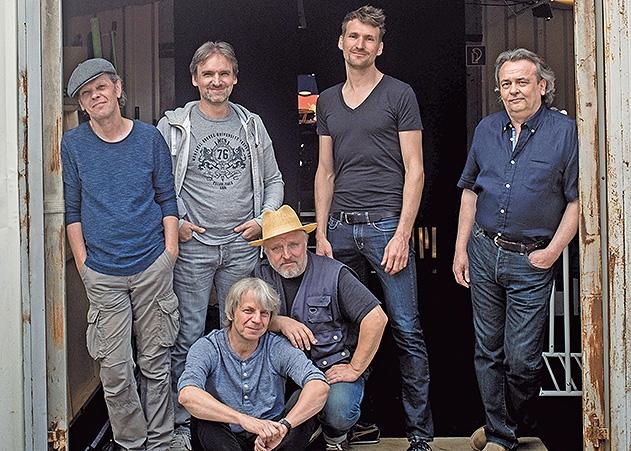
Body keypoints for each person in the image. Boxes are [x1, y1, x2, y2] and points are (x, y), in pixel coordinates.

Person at [313, 6, 433, 451]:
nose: (359, 44)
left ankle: (420, 435)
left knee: (405, 330)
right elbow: (325, 171)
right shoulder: (326, 100)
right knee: (343, 330)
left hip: (386, 228)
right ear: (341, 42)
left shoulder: (399, 94)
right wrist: (321, 233)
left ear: (379, 47)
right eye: (353, 36)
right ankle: (348, 424)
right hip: (340, 229)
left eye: (368, 38)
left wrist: (402, 234)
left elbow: (415, 169)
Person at [156, 41, 284, 449]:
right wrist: (177, 223)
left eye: (224, 73)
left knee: (242, 333)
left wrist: (263, 220)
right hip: (193, 248)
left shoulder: (252, 126)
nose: (216, 81)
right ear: (195, 78)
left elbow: (274, 180)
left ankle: (236, 419)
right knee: (187, 336)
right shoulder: (173, 127)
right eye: (208, 74)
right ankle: (181, 424)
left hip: (241, 248)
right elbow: (156, 183)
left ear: (235, 78)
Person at [452, 49, 579, 451]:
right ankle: (501, 434)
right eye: (506, 84)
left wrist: (553, 252)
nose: (513, 91)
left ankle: (505, 423)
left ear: (542, 86)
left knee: (522, 359)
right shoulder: (487, 129)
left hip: (532, 259)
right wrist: (460, 249)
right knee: (487, 351)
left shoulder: (566, 132)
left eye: (522, 82)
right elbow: (470, 191)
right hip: (484, 251)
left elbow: (577, 201)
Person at [61, 58, 180, 450]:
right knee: (115, 371)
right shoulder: (73, 144)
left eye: (101, 87)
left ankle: (160, 442)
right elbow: (72, 211)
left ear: (117, 88)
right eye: (86, 93)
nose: (95, 96)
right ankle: (131, 443)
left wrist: (170, 252)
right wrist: (84, 266)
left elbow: (167, 198)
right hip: (103, 273)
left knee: (155, 362)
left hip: (151, 265)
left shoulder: (149, 138)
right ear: (82, 105)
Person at [252, 205, 388, 451]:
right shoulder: (259, 277)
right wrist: (278, 322)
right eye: (276, 248)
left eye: (293, 245)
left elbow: (376, 318)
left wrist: (355, 368)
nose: (286, 255)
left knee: (338, 411)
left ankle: (334, 439)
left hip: (328, 371)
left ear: (306, 242)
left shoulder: (334, 273)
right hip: (283, 376)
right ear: (265, 251)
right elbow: (241, 323)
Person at [178, 277, 330, 451]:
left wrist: (284, 427)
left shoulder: (276, 346)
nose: (257, 319)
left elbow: (319, 386)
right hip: (226, 436)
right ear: (230, 313)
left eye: (264, 313)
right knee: (204, 415)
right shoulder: (208, 347)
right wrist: (243, 419)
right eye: (248, 311)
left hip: (273, 436)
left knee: (303, 398)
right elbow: (187, 394)